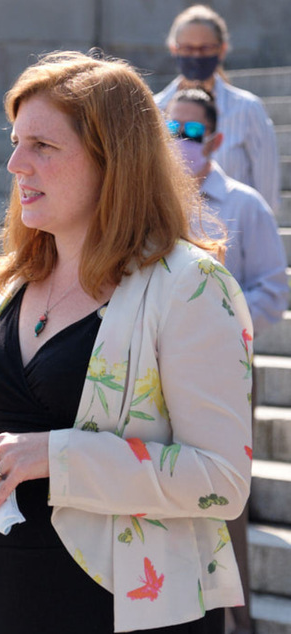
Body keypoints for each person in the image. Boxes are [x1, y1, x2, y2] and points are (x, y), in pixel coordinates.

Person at [0, 50, 253, 634]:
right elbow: (16, 431)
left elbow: (221, 482)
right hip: (9, 597)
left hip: (126, 613)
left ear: (114, 161)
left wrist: (51, 456)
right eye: (15, 140)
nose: (14, 164)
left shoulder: (191, 285)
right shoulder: (15, 278)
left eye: (42, 147)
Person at [167, 87, 288, 634]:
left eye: (190, 132)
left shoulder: (244, 204)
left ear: (214, 139)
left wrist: (225, 325)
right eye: (171, 131)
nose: (178, 142)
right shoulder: (153, 202)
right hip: (158, 374)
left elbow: (273, 289)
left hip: (226, 375)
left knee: (224, 504)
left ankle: (236, 624)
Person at [154, 4, 281, 214]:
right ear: (174, 49)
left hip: (232, 235)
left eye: (205, 49)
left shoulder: (248, 109)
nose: (196, 55)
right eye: (187, 49)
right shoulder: (154, 109)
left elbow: (267, 198)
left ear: (221, 50)